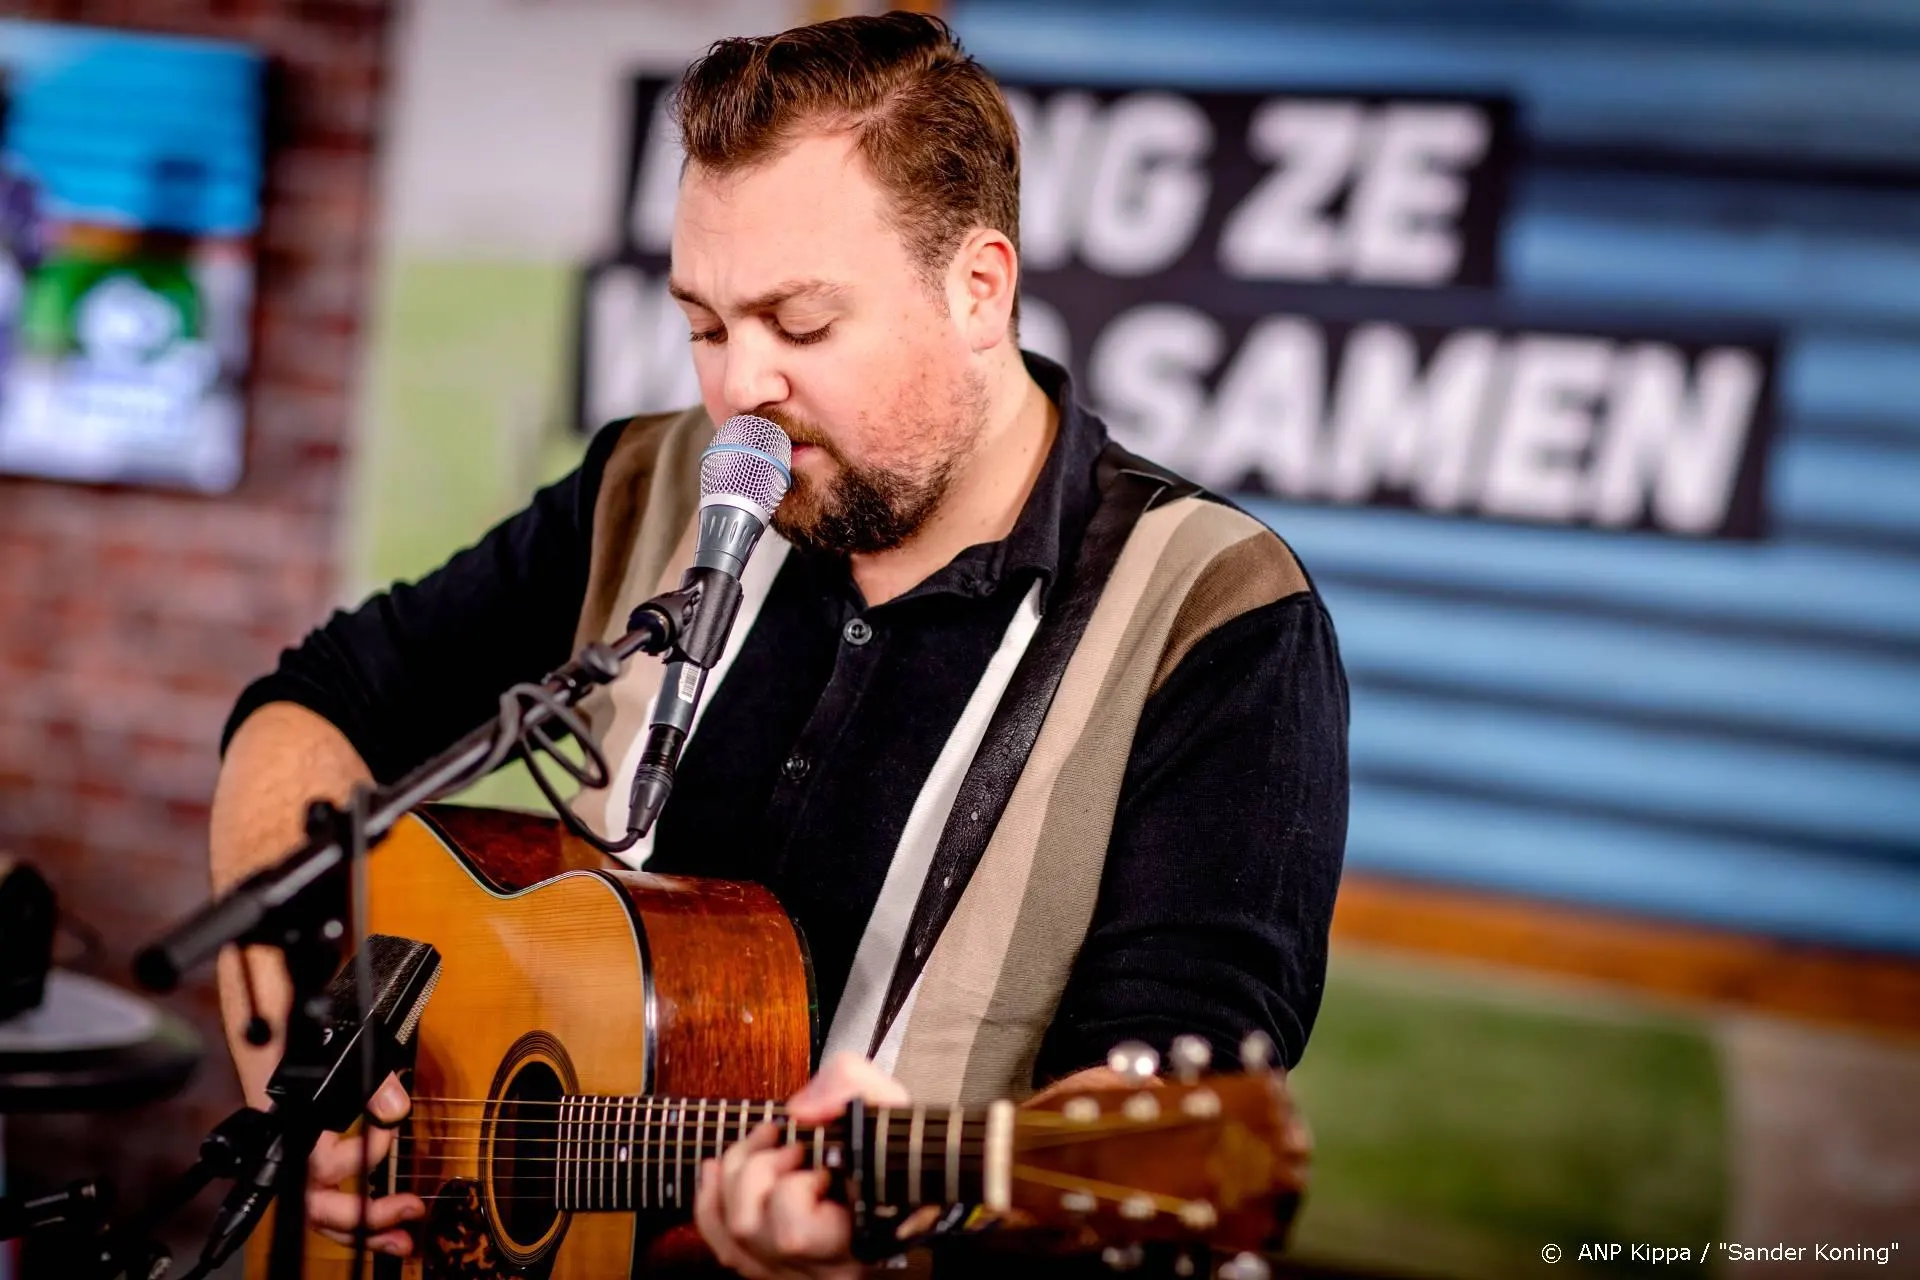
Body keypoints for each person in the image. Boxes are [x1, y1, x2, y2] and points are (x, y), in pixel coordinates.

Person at [209, 13, 1347, 1278]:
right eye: (704, 324)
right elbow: (316, 704)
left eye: (799, 326)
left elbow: (1160, 1081)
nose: (738, 386)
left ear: (980, 287)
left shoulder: (1217, 614)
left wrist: (857, 1241)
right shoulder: (645, 490)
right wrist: (306, 1080)